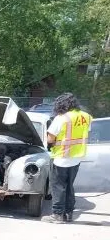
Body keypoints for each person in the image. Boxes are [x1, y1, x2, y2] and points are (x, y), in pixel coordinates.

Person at [43, 93, 91, 223]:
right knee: (69, 185)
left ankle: (57, 214)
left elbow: (50, 138)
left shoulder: (61, 118)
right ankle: (69, 213)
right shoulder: (86, 116)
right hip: (77, 157)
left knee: (58, 186)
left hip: (61, 157)